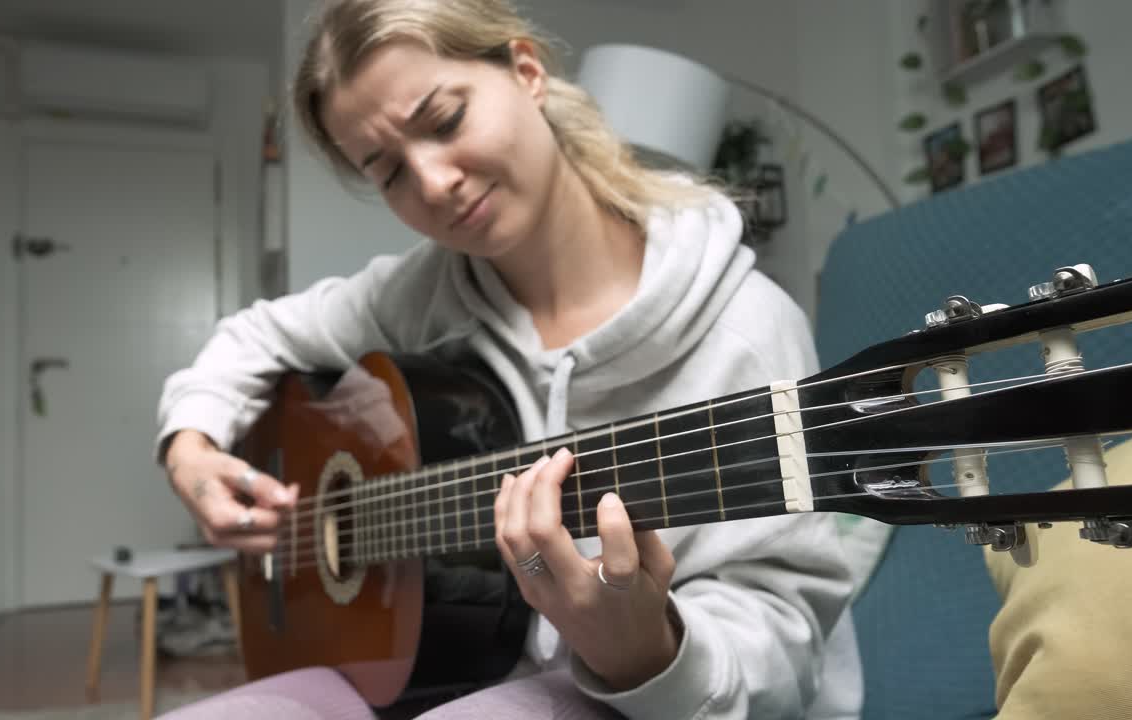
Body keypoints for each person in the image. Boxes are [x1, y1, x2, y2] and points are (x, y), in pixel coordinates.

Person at [155, 0, 861, 717]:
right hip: (452, 674)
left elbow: (787, 635)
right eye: (389, 171)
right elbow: (251, 338)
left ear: (526, 71)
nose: (432, 183)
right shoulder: (423, 293)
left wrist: (645, 648)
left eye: (445, 121)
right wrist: (191, 448)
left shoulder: (747, 326)